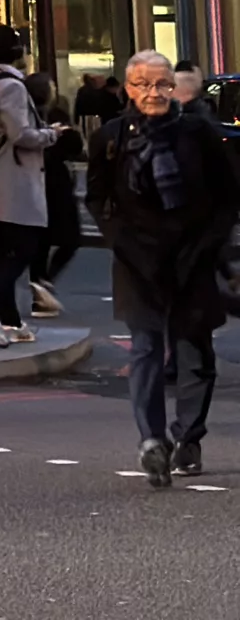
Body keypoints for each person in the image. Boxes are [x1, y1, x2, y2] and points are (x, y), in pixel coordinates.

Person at [85, 49, 240, 489]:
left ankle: (188, 437)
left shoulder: (199, 134)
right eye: (144, 85)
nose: (154, 93)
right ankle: (151, 440)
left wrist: (210, 245)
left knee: (194, 352)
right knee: (146, 349)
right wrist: (119, 239)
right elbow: (96, 197)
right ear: (129, 89)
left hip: (192, 256)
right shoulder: (111, 138)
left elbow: (228, 197)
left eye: (162, 85)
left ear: (174, 88)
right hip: (138, 260)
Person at [0, 24, 57, 348]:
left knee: (5, 250)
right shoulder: (12, 87)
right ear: (17, 53)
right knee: (25, 249)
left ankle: (10, 320)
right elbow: (22, 135)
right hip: (12, 178)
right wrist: (53, 134)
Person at [24, 72, 82, 320]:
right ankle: (42, 283)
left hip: (35, 182)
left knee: (43, 238)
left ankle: (40, 286)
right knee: (69, 238)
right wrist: (59, 134)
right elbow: (75, 147)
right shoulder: (45, 117)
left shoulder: (27, 115)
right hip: (54, 182)